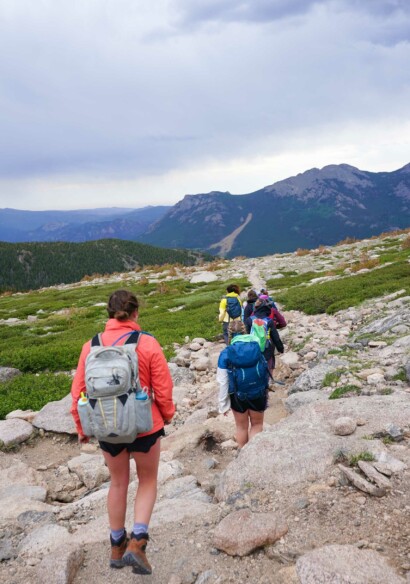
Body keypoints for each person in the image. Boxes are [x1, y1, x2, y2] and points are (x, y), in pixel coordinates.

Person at [71, 289, 175, 575]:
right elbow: (163, 388)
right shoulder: (148, 343)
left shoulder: (89, 346)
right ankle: (138, 543)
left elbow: (78, 391)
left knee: (118, 484)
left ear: (109, 313)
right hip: (144, 426)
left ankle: (117, 546)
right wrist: (165, 415)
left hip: (106, 427)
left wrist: (82, 428)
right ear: (135, 313)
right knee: (147, 480)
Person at [216, 321, 268, 448]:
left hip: (237, 395)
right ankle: (254, 454)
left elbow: (222, 382)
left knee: (241, 427)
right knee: (257, 424)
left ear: (229, 335)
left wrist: (223, 405)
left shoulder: (226, 353)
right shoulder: (256, 346)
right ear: (245, 332)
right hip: (258, 391)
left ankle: (242, 456)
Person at [244, 298, 284, 376]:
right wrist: (280, 348)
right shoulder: (269, 321)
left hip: (253, 348)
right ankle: (267, 381)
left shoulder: (249, 320)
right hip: (267, 348)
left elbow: (247, 335)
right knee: (269, 365)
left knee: (256, 364)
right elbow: (275, 337)